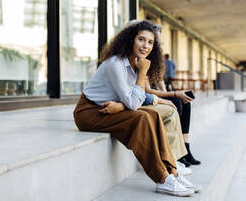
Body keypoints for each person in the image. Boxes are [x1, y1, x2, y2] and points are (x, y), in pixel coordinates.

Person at [73, 20, 201, 196]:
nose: (145, 45)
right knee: (142, 118)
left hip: (109, 107)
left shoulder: (135, 63)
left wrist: (120, 106)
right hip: (89, 112)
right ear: (131, 40)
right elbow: (133, 103)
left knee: (153, 116)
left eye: (150, 42)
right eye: (141, 39)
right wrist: (142, 74)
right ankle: (162, 179)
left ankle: (173, 173)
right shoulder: (116, 64)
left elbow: (132, 100)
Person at [147, 25, 201, 167]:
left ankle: (186, 148)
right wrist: (172, 95)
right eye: (155, 39)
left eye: (158, 40)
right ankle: (176, 152)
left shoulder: (155, 57)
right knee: (176, 101)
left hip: (153, 94)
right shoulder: (143, 56)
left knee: (185, 102)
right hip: (146, 97)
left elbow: (159, 81)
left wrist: (168, 94)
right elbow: (145, 91)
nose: (157, 43)